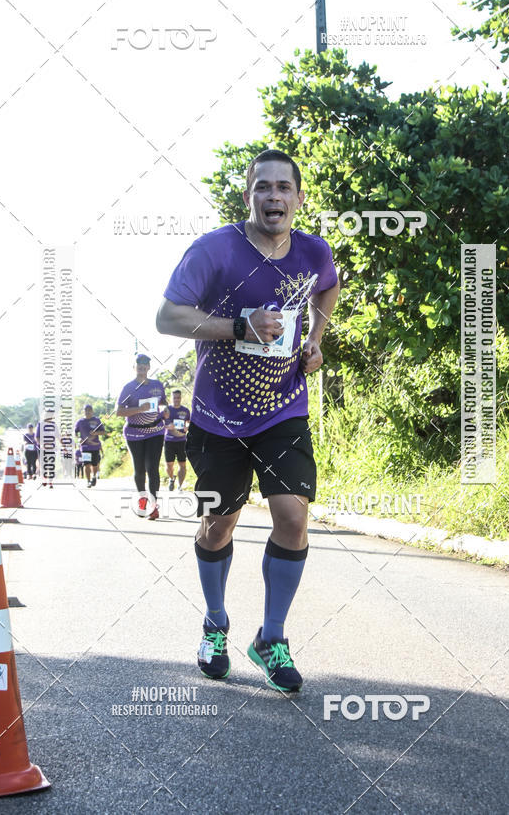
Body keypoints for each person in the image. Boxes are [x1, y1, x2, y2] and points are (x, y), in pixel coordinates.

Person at [156, 148, 339, 692]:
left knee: (292, 515)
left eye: (285, 188)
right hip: (217, 418)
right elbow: (168, 317)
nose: (275, 197)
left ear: (299, 199)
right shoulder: (214, 250)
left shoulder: (312, 252)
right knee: (220, 524)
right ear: (249, 196)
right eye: (264, 188)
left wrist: (314, 338)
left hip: (283, 409)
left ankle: (272, 637)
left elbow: (327, 286)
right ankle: (215, 623)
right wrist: (239, 326)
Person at [116, 353, 167, 520]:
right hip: (134, 432)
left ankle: (154, 505)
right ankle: (142, 497)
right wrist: (139, 409)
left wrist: (165, 409)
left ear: (149, 367)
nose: (142, 366)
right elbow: (119, 412)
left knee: (153, 468)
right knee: (140, 469)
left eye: (145, 364)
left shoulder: (157, 385)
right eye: (139, 364)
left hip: (156, 431)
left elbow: (162, 402)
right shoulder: (128, 388)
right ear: (134, 367)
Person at [163, 389, 190, 491]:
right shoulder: (166, 410)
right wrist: (167, 426)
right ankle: (171, 478)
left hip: (182, 441)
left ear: (181, 398)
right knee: (169, 465)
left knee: (182, 464)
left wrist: (187, 427)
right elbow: (160, 424)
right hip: (169, 440)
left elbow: (188, 422)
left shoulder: (186, 410)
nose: (176, 399)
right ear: (171, 398)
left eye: (178, 397)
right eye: (174, 397)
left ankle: (180, 486)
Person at [74, 404, 105, 488]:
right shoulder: (80, 422)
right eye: (86, 410)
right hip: (85, 446)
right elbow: (75, 432)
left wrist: (96, 433)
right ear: (83, 411)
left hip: (95, 447)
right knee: (86, 464)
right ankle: (88, 481)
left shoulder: (97, 420)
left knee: (95, 464)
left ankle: (94, 477)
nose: (88, 412)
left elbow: (103, 432)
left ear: (92, 411)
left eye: (89, 410)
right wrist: (78, 439)